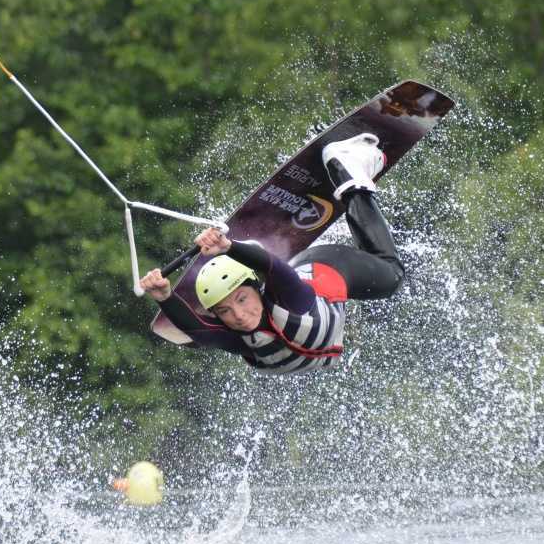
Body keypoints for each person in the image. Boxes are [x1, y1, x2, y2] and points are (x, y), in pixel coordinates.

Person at [139, 133, 402, 375]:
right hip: (307, 290)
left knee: (392, 276)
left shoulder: (290, 303)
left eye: (242, 299)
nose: (239, 316)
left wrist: (228, 247)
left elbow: (272, 267)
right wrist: (164, 296)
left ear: (257, 289)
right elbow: (200, 332)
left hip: (328, 268)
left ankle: (347, 168)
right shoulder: (242, 339)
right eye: (225, 311)